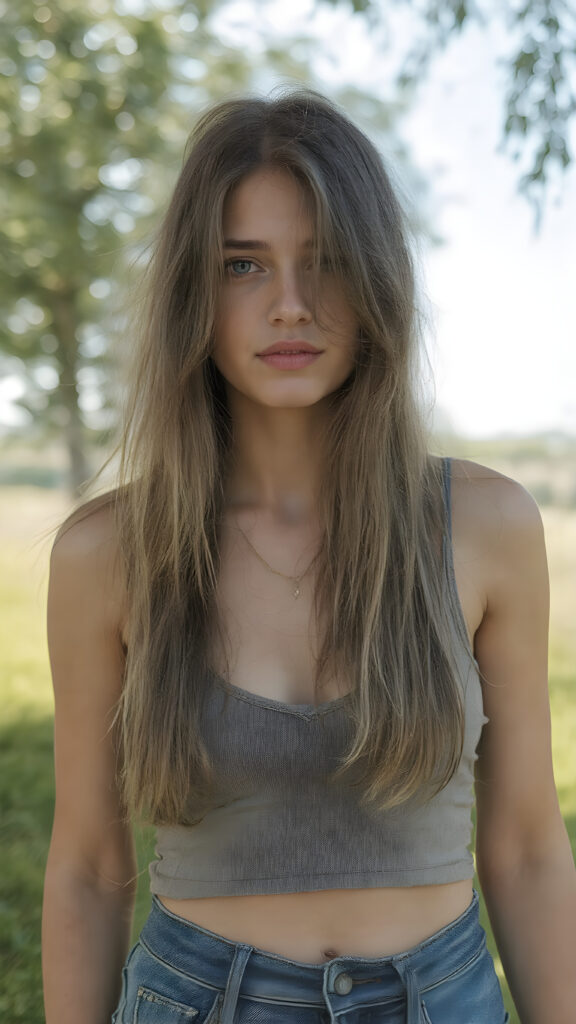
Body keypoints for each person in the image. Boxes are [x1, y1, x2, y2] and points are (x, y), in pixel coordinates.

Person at [42, 89, 576, 1024]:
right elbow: (89, 865)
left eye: (323, 263)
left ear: (376, 283)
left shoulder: (486, 524)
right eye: (244, 265)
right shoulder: (110, 553)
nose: (290, 305)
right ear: (193, 296)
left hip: (442, 999)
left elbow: (529, 845)